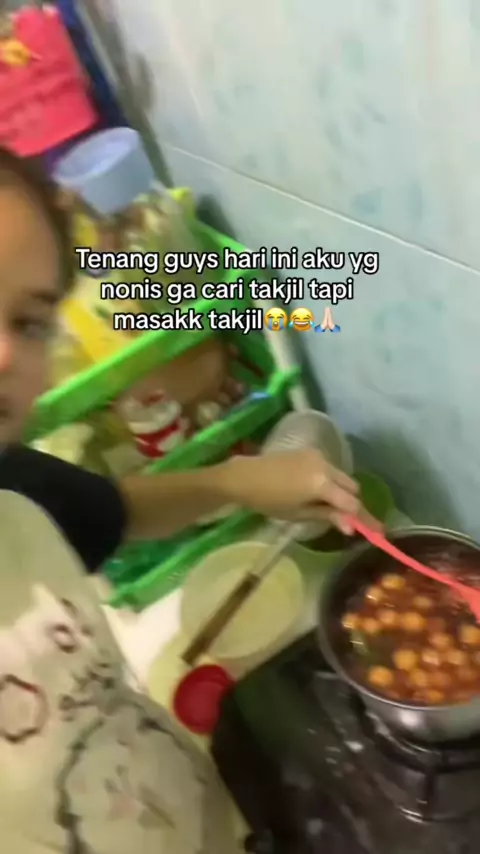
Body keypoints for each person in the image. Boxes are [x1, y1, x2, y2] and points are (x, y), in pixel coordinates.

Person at [0, 146, 376, 853]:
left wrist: (239, 481)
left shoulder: (16, 486)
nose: (6, 357)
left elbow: (113, 511)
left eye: (28, 322)